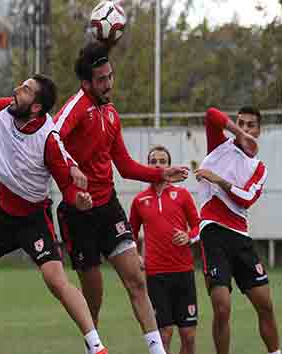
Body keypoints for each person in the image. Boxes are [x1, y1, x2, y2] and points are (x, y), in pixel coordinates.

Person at [0, 73, 109, 354]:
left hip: (34, 219)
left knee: (56, 281)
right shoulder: (5, 110)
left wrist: (79, 200)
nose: (16, 90)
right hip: (3, 215)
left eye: (24, 90)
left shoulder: (48, 138)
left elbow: (66, 185)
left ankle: (96, 346)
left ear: (36, 106)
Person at [54, 42, 188, 354]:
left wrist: (160, 174)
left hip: (108, 208)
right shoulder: (75, 107)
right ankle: (94, 346)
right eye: (101, 80)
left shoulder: (111, 113)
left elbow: (125, 166)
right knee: (94, 296)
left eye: (110, 77)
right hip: (78, 213)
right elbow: (52, 138)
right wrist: (72, 174)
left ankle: (158, 351)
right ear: (86, 83)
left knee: (136, 281)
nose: (108, 84)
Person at [194, 107, 281, 354]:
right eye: (240, 123)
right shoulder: (219, 146)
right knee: (222, 307)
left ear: (259, 130)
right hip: (213, 232)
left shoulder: (259, 167)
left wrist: (218, 179)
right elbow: (211, 114)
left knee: (265, 305)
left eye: (250, 125)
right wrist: (237, 133)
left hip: (240, 237)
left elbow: (246, 198)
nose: (244, 128)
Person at [130, 145, 200, 354]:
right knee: (164, 334)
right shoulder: (139, 201)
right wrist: (135, 256)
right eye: (153, 161)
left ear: (169, 166)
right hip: (155, 275)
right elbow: (129, 234)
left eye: (162, 161)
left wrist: (188, 236)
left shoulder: (183, 195)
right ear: (148, 166)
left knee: (189, 336)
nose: (158, 165)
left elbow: (198, 225)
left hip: (184, 273)